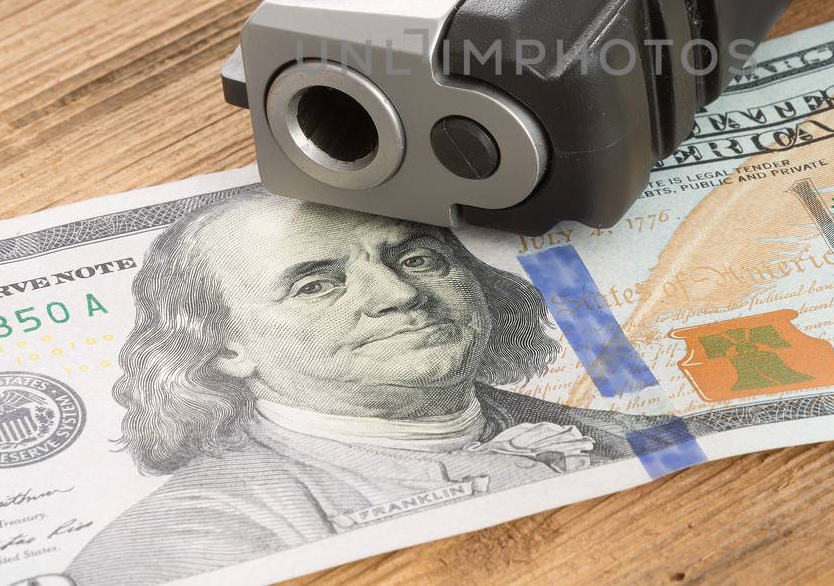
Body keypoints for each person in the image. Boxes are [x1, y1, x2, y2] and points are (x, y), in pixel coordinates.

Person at [66, 192, 669, 586]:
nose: (399, 296)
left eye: (416, 260)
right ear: (226, 347)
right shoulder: (199, 538)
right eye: (317, 286)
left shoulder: (629, 436)